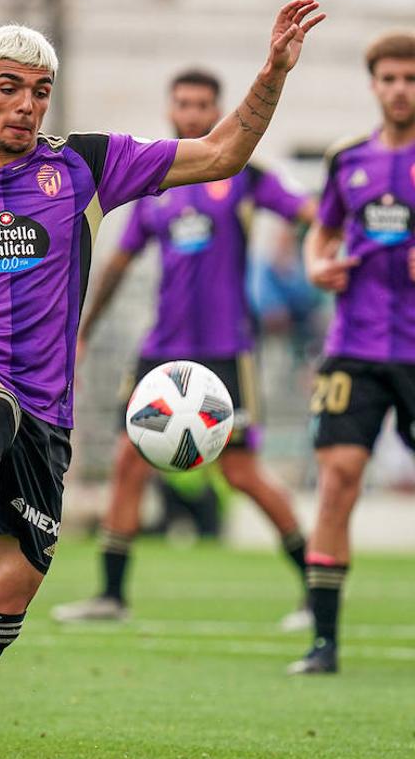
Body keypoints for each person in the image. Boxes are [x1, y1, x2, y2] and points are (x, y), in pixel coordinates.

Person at [0, 0, 324, 759]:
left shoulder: (85, 167)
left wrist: (271, 73)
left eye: (41, 90)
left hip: (45, 420)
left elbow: (222, 152)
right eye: (9, 88)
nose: (27, 104)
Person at [50, 68, 317, 629]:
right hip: (161, 354)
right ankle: (112, 595)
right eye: (183, 104)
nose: (192, 114)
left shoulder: (245, 175)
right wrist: (82, 330)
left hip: (225, 352)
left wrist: (333, 243)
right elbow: (120, 264)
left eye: (203, 106)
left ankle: (316, 587)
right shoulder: (156, 188)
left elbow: (309, 212)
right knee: (129, 463)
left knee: (241, 474)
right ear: (171, 110)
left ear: (218, 110)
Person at [289, 31, 415, 675]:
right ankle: (323, 644)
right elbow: (326, 230)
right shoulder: (348, 158)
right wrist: (316, 266)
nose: (400, 89)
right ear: (374, 84)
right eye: (389, 78)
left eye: (410, 79)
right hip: (354, 348)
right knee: (337, 483)